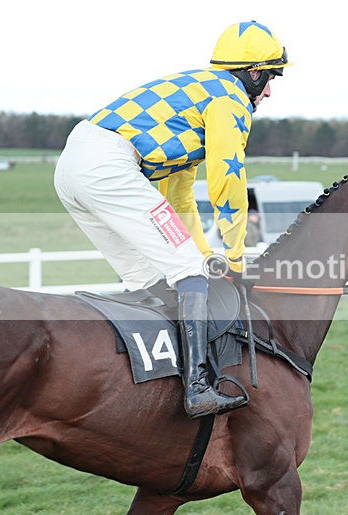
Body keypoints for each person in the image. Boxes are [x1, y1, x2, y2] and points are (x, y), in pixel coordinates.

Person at [54, 20, 291, 419]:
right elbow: (229, 180)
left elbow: (180, 195)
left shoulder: (199, 93)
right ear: (251, 73)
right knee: (185, 271)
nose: (268, 90)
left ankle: (149, 386)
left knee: (150, 279)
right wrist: (234, 258)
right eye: (268, 78)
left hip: (73, 167)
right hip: (108, 166)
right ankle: (198, 388)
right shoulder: (230, 100)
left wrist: (203, 257)